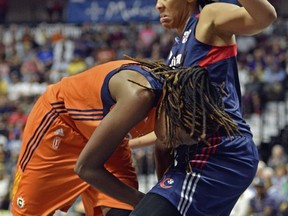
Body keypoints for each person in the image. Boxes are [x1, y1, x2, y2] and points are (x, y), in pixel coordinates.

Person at [10, 57, 237, 216]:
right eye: (177, 137)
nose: (174, 144)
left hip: (108, 137)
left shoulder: (177, 109)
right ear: (174, 112)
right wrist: (144, 201)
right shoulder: (139, 95)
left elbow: (162, 149)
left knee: (124, 211)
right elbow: (86, 168)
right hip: (60, 125)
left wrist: (163, 202)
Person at [130, 0, 277, 216]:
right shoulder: (175, 51)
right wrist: (127, 144)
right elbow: (172, 127)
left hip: (219, 152)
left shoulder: (207, 17)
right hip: (195, 154)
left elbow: (265, 17)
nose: (158, 5)